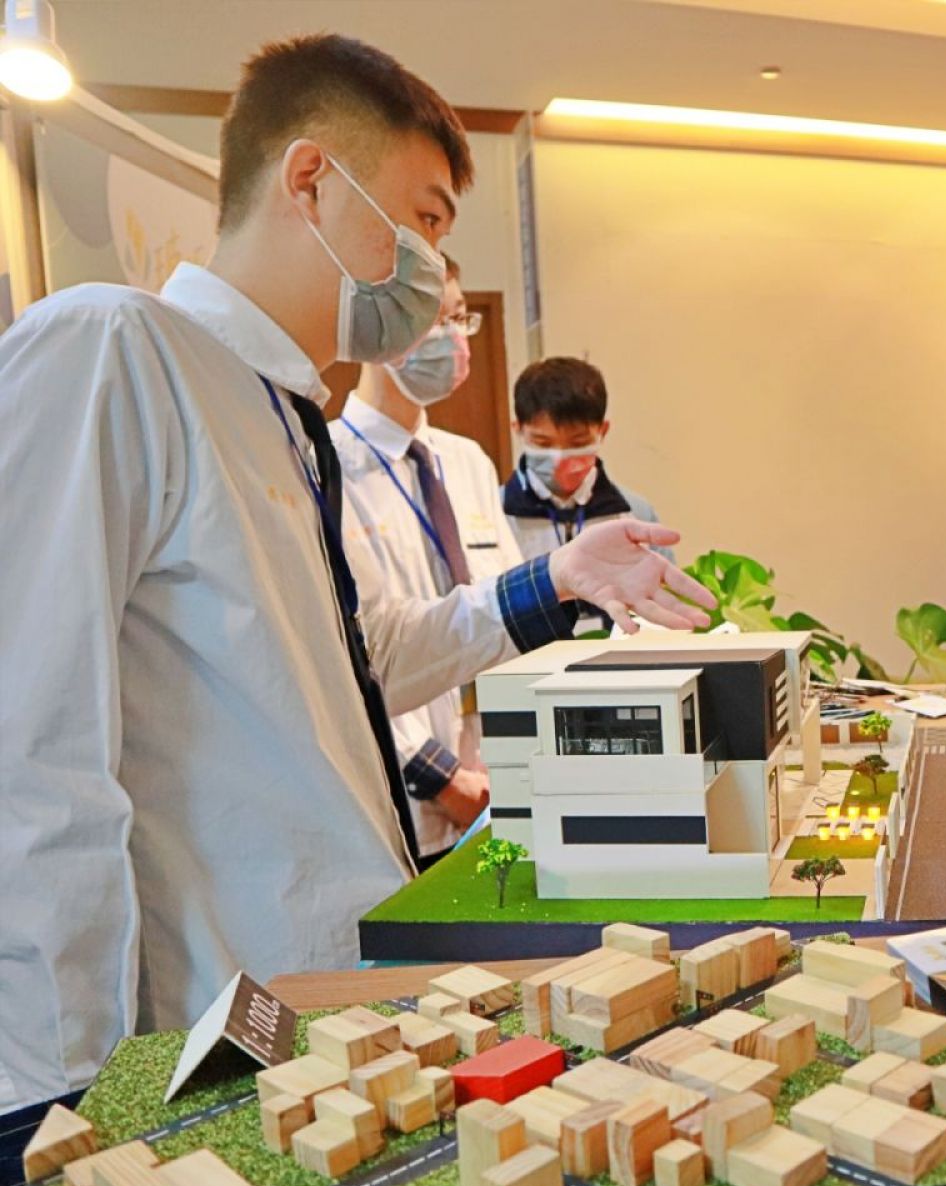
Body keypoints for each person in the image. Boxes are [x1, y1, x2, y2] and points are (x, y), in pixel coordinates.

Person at [0, 34, 711, 1116]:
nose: (432, 269)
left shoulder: (282, 415)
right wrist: (57, 1098)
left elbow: (349, 660)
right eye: (423, 220)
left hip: (321, 998)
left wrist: (556, 577)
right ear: (311, 180)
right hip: (192, 1032)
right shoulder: (113, 348)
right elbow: (30, 745)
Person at [332, 255, 521, 863]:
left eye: (460, 318)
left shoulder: (466, 462)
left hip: (500, 779)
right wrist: (440, 778)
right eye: (433, 319)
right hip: (409, 798)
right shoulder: (326, 467)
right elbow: (351, 651)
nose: (453, 338)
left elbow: (503, 613)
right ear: (376, 326)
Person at [502, 356, 667, 562]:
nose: (559, 459)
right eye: (543, 443)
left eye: (578, 443)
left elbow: (665, 580)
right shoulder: (494, 514)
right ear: (518, 430)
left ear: (602, 431)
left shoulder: (636, 513)